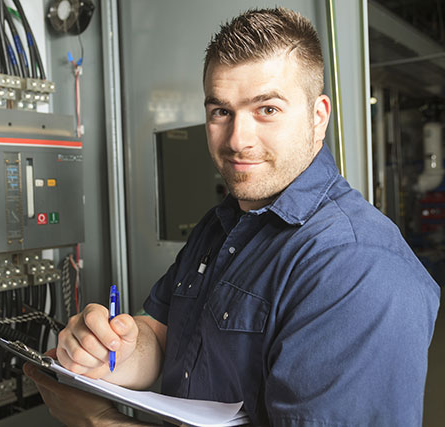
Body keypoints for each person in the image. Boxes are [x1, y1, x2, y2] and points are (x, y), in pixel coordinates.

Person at [24, 7, 440, 426]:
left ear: (318, 117)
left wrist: (99, 421)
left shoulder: (356, 265)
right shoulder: (222, 224)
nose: (238, 140)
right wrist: (118, 351)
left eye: (267, 109)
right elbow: (170, 337)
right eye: (221, 111)